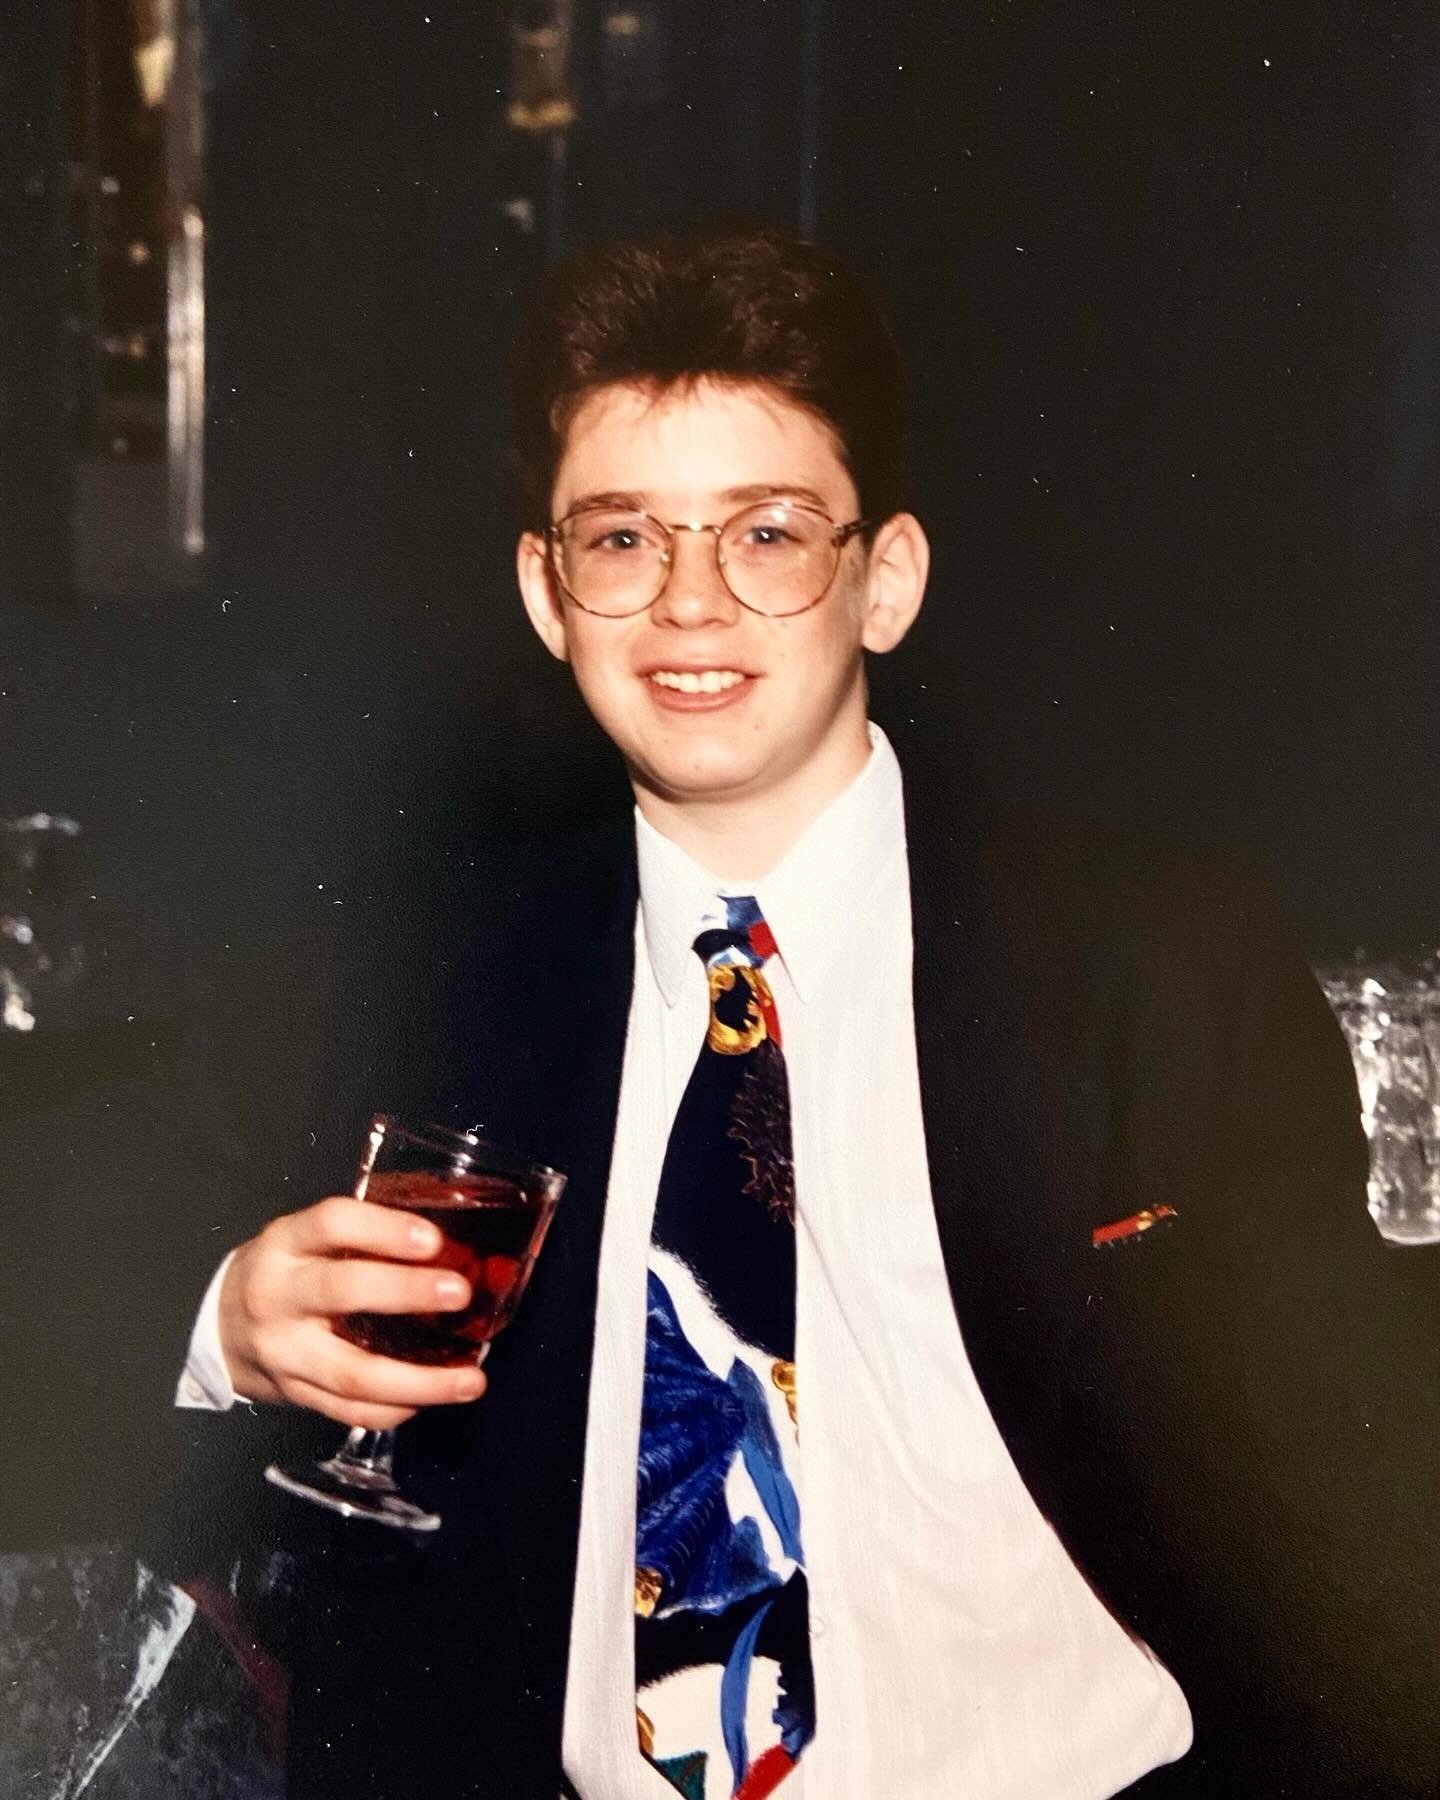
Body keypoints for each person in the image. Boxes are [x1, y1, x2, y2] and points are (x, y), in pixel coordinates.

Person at [171, 225, 1438, 1799]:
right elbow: (91, 1250)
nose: (691, 605)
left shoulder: (1153, 962)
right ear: (547, 591)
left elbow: (1353, 1539)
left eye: (767, 534)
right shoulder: (419, 976)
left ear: (884, 579)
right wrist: (228, 1321)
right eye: (623, 539)